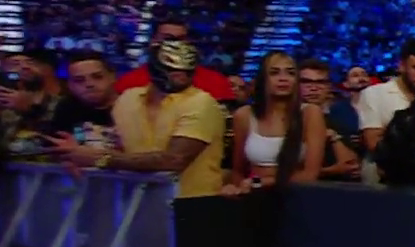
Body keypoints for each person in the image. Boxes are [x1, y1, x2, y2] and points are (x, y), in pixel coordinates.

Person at [50, 40, 226, 198]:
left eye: (187, 71)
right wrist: (74, 157)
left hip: (190, 199)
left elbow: (174, 160)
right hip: (138, 198)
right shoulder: (128, 99)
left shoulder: (201, 102)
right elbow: (117, 146)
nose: (181, 77)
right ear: (154, 68)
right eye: (172, 70)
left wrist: (99, 159)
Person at [224, 52, 325, 192]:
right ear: (263, 79)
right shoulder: (244, 115)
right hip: (254, 197)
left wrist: (264, 182)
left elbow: (310, 174)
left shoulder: (310, 113)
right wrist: (237, 190)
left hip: (296, 195)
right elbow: (238, 171)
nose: (283, 79)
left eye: (290, 73)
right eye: (274, 73)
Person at [114, 19, 235, 102]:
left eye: (181, 39)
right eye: (168, 39)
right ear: (153, 42)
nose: (176, 45)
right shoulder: (130, 82)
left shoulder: (215, 81)